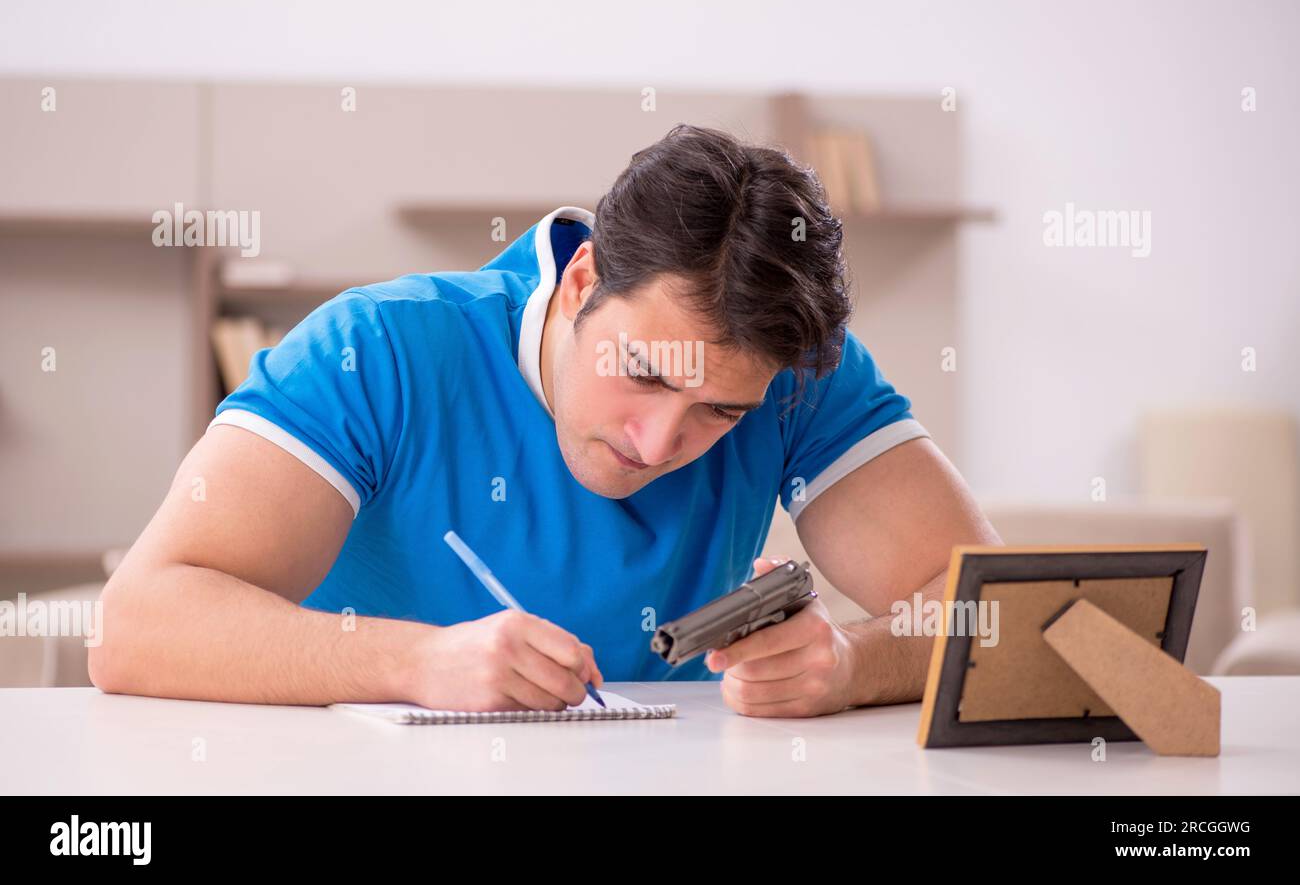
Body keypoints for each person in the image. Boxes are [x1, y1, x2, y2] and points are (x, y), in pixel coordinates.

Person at [91, 124, 1000, 717]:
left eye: (718, 412)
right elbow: (136, 623)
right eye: (642, 372)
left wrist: (849, 664)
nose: (656, 445)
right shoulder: (378, 350)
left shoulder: (787, 368)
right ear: (579, 283)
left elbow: (991, 606)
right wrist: (412, 663)